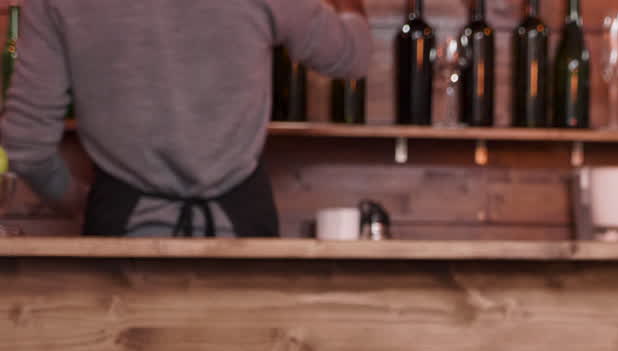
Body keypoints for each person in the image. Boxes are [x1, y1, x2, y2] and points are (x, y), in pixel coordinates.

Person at [0, 0, 370, 237]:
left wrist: (81, 201)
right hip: (241, 238)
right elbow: (353, 55)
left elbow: (26, 147)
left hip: (120, 233)